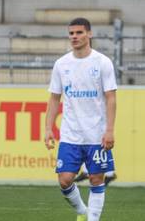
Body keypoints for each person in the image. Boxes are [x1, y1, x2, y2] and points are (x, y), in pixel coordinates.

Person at [45, 17, 117, 221]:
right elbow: (54, 98)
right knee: (65, 180)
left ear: (89, 34)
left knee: (96, 178)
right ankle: (82, 212)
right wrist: (48, 128)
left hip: (96, 134)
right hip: (71, 134)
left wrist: (110, 130)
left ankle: (92, 220)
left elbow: (111, 98)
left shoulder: (102, 62)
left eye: (79, 33)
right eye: (71, 33)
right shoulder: (61, 64)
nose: (74, 37)